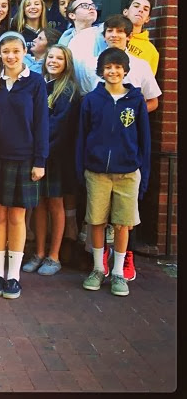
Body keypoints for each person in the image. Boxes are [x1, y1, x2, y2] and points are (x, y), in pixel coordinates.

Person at [77, 47, 150, 297]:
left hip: (127, 172)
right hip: (96, 171)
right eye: (108, 67)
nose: (113, 71)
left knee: (122, 223)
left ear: (125, 70)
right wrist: (81, 167)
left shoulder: (136, 101)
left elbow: (144, 139)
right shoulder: (91, 100)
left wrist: (143, 173)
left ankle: (118, 272)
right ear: (101, 71)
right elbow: (82, 136)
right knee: (96, 221)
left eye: (118, 67)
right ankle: (99, 268)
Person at [0, 31, 49, 299]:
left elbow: (42, 123)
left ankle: (14, 276)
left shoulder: (35, 82)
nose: (11, 56)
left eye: (16, 51)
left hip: (25, 158)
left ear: (25, 52)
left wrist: (40, 160)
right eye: (6, 51)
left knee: (17, 217)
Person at [22, 45, 80, 276]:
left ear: (67, 64)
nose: (54, 61)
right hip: (37, 154)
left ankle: (53, 256)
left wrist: (42, 152)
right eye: (51, 57)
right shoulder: (40, 84)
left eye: (60, 58)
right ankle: (38, 253)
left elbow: (59, 126)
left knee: (56, 204)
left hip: (55, 156)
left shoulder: (69, 90)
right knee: (39, 204)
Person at [102, 15, 161, 113]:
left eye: (120, 31)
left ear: (129, 36)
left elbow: (153, 102)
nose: (114, 35)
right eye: (110, 31)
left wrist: (130, 114)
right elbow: (85, 97)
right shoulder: (90, 64)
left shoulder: (141, 66)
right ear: (104, 36)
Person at [122, 0, 159, 75]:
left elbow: (148, 81)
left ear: (147, 19)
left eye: (145, 9)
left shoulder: (151, 51)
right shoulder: (112, 36)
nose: (141, 10)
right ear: (125, 12)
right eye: (136, 6)